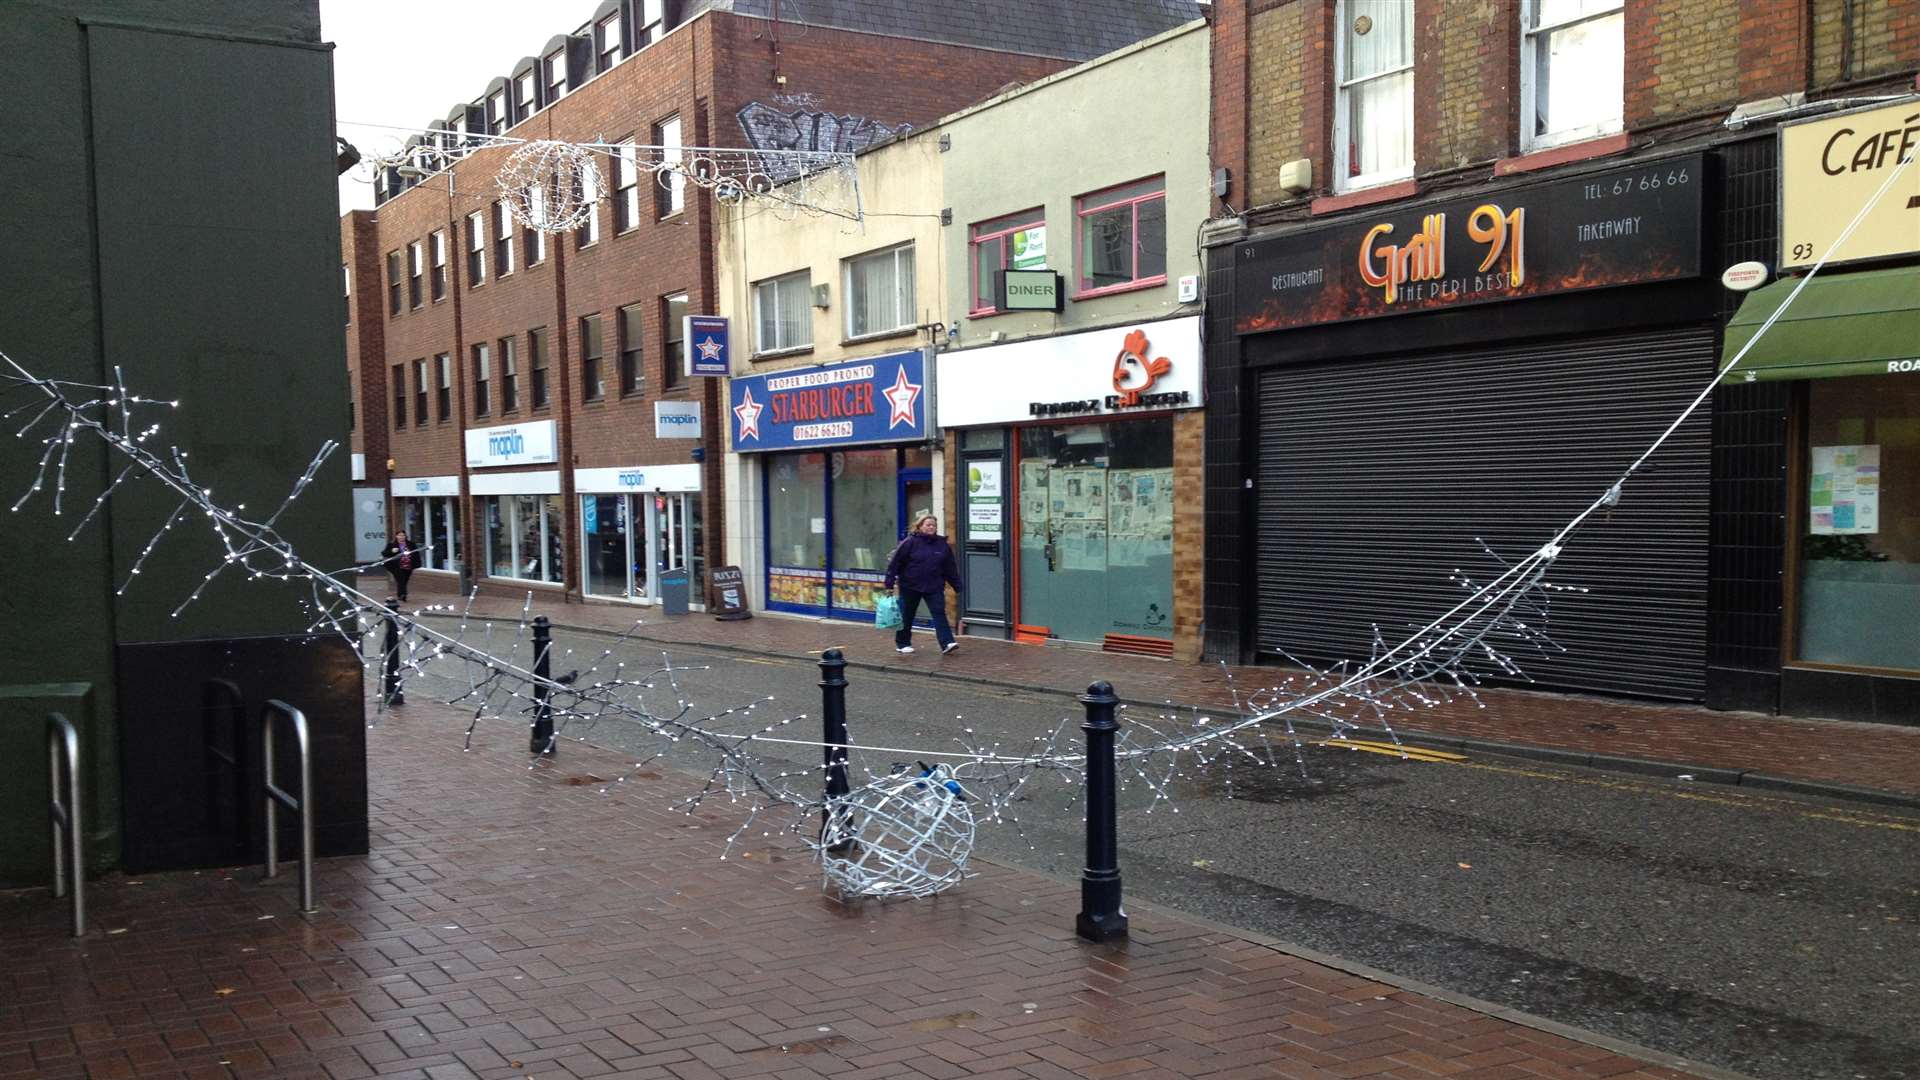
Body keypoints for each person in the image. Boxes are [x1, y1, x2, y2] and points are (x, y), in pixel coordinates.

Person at [883, 513, 962, 655]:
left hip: (934, 585)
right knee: (907, 614)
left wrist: (957, 586)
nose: (931, 527)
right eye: (928, 525)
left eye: (934, 525)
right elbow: (895, 563)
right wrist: (889, 583)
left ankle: (947, 643)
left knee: (939, 612)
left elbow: (949, 567)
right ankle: (902, 643)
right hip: (910, 585)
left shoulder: (942, 545)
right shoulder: (910, 542)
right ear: (920, 527)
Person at [380, 529, 416, 602]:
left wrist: (416, 563)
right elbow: (384, 553)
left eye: (403, 535)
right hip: (396, 566)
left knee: (404, 580)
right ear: (396, 536)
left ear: (405, 536)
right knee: (401, 579)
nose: (401, 537)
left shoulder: (411, 544)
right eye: (399, 535)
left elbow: (415, 554)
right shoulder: (392, 544)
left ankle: (401, 594)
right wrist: (392, 551)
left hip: (408, 565)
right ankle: (403, 595)